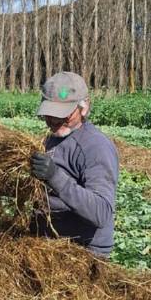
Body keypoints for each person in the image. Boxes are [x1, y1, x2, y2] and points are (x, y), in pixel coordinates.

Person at [29, 70, 119, 258]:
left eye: (63, 114)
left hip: (81, 252)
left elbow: (101, 213)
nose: (53, 120)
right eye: (49, 114)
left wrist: (55, 177)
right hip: (49, 244)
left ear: (84, 108)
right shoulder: (53, 138)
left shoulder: (95, 147)